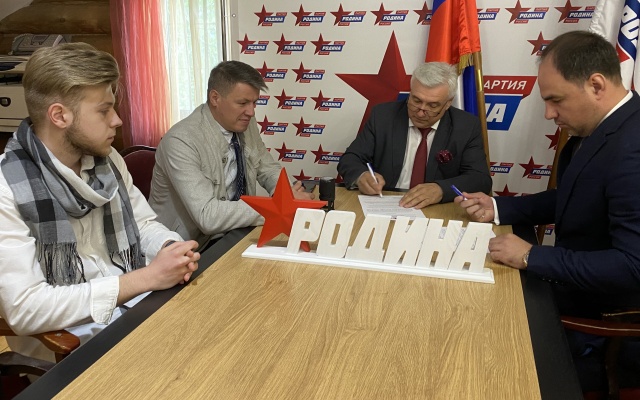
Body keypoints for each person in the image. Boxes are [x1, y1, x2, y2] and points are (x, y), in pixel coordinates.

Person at [455, 30, 640, 389]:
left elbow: (633, 266)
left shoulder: (633, 149)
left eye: (556, 100)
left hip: (604, 315)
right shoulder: (603, 129)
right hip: (573, 283)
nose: (548, 113)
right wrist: (497, 207)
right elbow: (574, 197)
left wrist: (532, 256)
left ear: (596, 85)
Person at [0, 43, 200, 362]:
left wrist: (170, 248)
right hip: (70, 345)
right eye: (104, 110)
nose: (117, 120)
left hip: (133, 312)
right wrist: (146, 278)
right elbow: (25, 309)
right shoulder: (7, 187)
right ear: (59, 116)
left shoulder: (109, 161)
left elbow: (143, 225)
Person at [149, 61, 313, 250]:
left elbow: (267, 168)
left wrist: (286, 195)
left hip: (235, 233)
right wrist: (278, 208)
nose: (251, 112)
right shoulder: (180, 141)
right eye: (242, 103)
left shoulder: (245, 122)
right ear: (215, 98)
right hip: (188, 250)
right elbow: (208, 216)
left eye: (254, 103)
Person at [337, 62, 492, 208]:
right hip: (386, 202)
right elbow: (351, 159)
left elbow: (480, 179)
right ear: (410, 93)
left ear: (448, 103)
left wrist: (440, 189)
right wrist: (361, 175)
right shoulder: (383, 116)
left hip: (436, 208)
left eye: (432, 105)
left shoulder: (466, 126)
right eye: (416, 101)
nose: (420, 112)